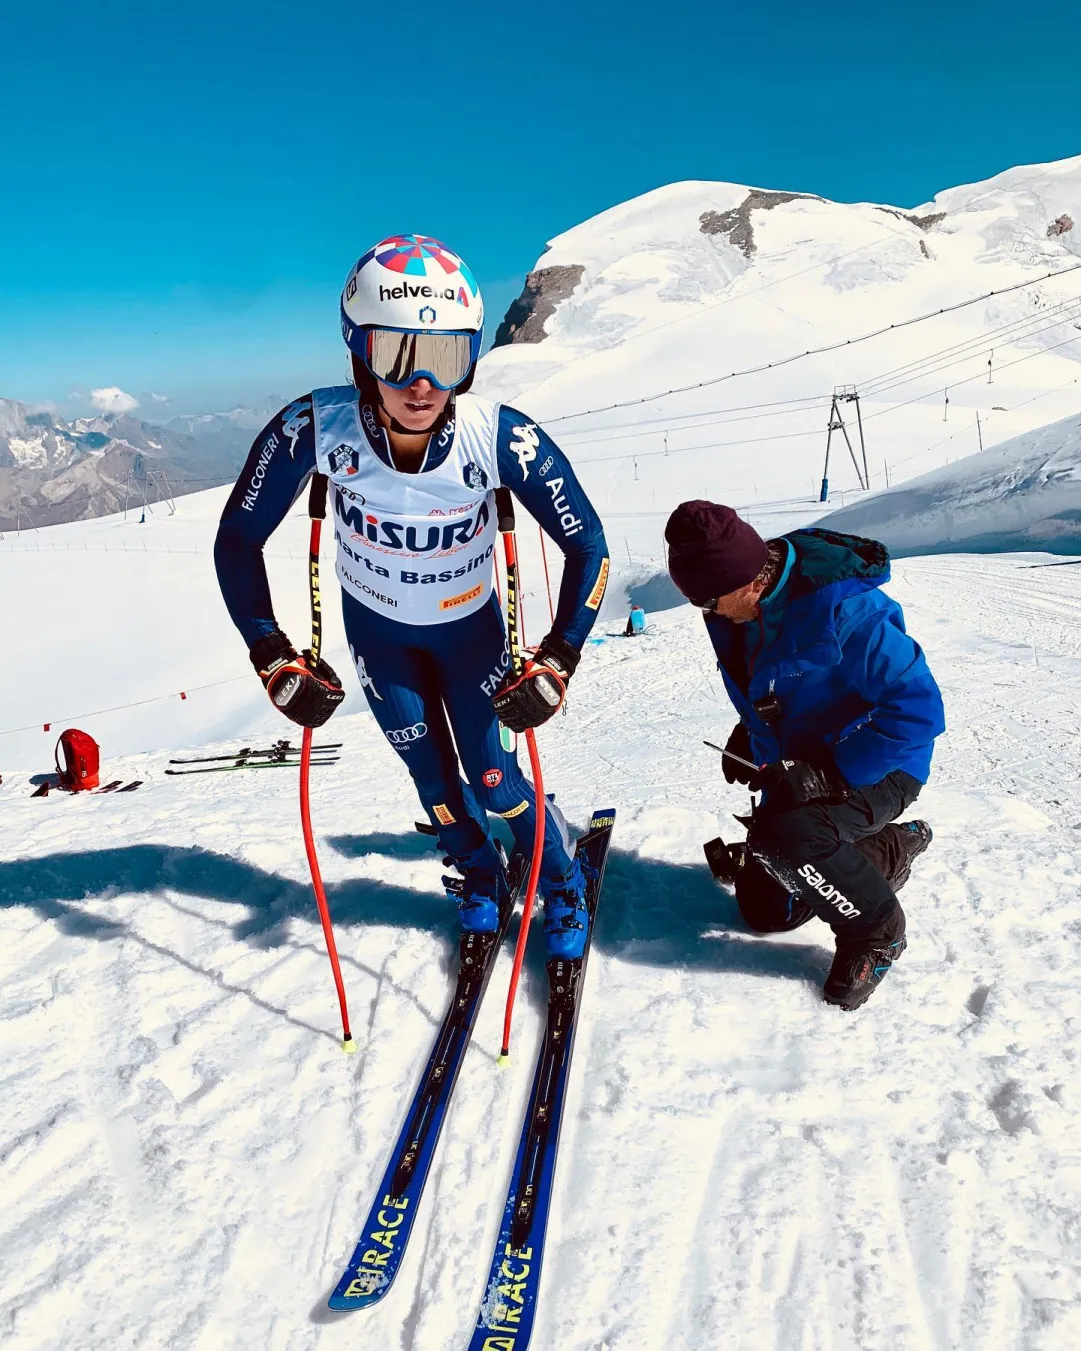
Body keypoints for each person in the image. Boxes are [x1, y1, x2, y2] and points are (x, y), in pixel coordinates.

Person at [214, 234, 610, 960]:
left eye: (448, 357)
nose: (422, 382)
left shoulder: (498, 438)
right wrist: (271, 656)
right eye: (397, 354)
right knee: (432, 782)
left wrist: (558, 661)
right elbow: (236, 541)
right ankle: (479, 871)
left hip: (472, 636)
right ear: (358, 351)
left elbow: (590, 546)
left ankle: (559, 881)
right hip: (380, 640)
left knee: (494, 779)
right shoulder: (315, 428)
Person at [665, 501, 945, 1010]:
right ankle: (887, 848)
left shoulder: (847, 615)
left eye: (709, 599)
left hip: (883, 764)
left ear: (749, 580)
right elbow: (780, 687)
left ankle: (878, 930)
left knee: (786, 838)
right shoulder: (745, 608)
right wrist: (751, 736)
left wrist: (829, 774)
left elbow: (918, 712)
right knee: (765, 911)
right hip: (804, 764)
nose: (707, 611)